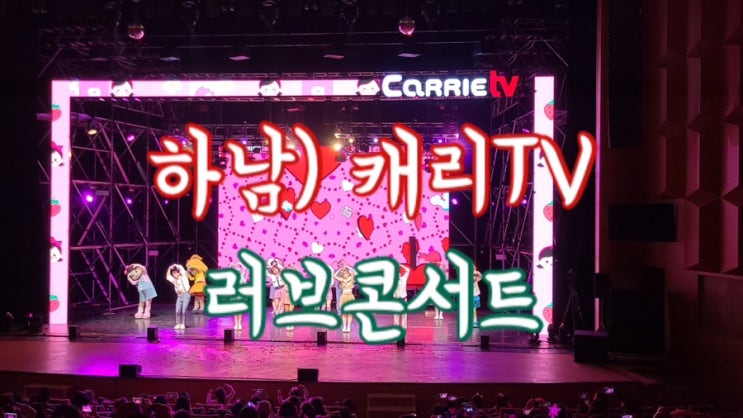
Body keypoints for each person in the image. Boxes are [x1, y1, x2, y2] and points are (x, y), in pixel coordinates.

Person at [166, 263, 190, 330]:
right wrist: (169, 268)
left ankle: (183, 324)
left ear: (179, 273)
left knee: (184, 311)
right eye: (173, 273)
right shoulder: (174, 280)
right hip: (179, 296)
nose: (175, 274)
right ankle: (178, 324)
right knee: (177, 311)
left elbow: (181, 268)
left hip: (186, 295)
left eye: (176, 273)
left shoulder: (184, 277)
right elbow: (168, 276)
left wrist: (175, 265)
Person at [336, 266, 356, 332]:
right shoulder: (342, 280)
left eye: (346, 273)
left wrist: (347, 267)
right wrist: (340, 269)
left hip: (350, 296)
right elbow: (334, 275)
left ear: (348, 274)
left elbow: (353, 272)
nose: (345, 274)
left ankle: (348, 327)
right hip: (344, 296)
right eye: (344, 273)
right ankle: (344, 327)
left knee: (349, 313)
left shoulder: (351, 279)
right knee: (344, 313)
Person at [393, 263, 410, 329]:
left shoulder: (404, 278)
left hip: (403, 299)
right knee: (396, 315)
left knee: (404, 315)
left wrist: (402, 266)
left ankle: (404, 328)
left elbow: (408, 270)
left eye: (399, 274)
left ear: (400, 274)